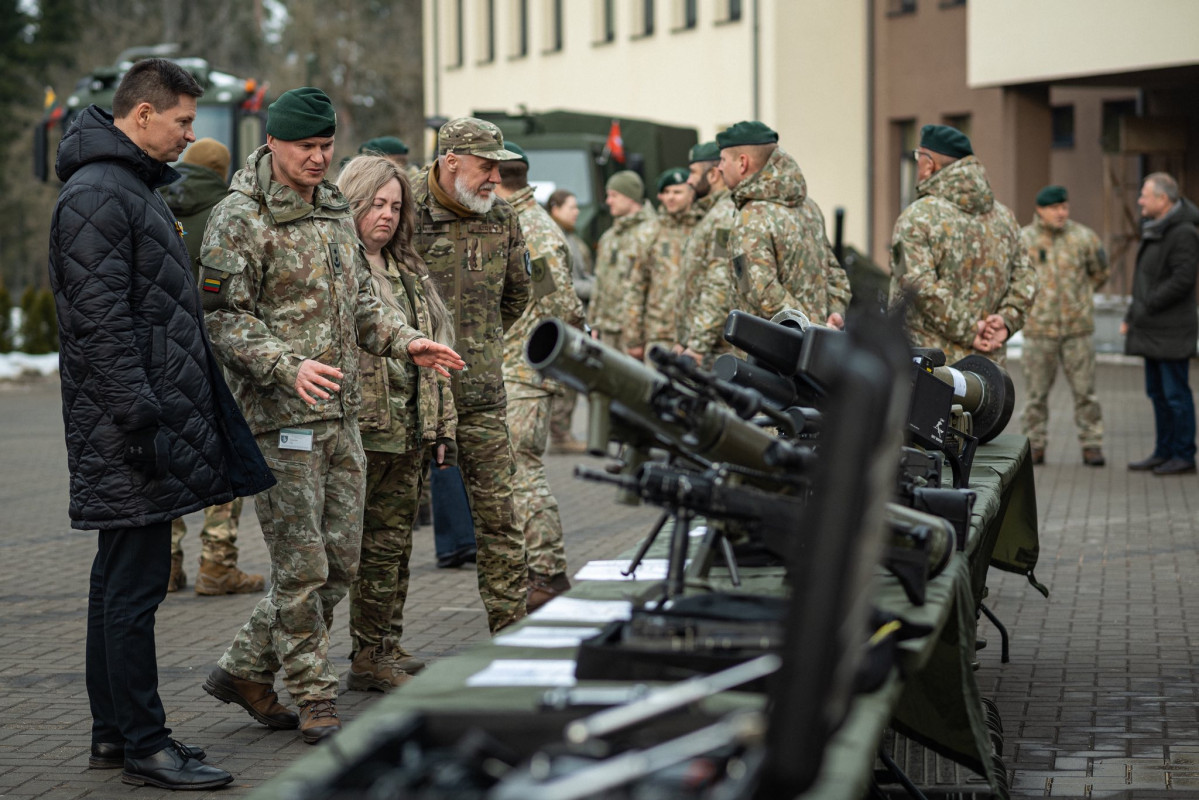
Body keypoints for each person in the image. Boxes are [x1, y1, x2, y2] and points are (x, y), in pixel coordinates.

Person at [198, 87, 464, 744]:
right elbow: (222, 319)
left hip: (342, 414)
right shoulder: (240, 217)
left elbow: (360, 306)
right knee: (301, 565)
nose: (319, 158)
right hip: (280, 418)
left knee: (341, 562)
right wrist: (286, 364)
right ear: (273, 145)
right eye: (306, 147)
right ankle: (313, 695)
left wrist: (407, 341)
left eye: (326, 146)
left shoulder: (335, 210)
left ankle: (242, 670)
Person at [48, 57, 275, 790]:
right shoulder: (98, 194)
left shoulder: (126, 188)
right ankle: (146, 743)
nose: (189, 135)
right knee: (135, 588)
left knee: (119, 582)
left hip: (135, 416)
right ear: (141, 115)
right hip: (129, 425)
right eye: (181, 121)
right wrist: (138, 415)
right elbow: (100, 320)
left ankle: (115, 735)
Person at [337, 155, 457, 689]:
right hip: (359, 432)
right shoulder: (340, 267)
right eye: (375, 204)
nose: (385, 215)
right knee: (351, 556)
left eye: (395, 206)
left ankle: (379, 646)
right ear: (352, 202)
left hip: (407, 431)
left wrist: (441, 426)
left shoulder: (407, 270)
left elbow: (437, 355)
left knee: (394, 550)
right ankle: (363, 652)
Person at [412, 116, 533, 633]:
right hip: (410, 393)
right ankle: (376, 651)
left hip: (480, 392)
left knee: (501, 520)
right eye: (486, 168)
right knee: (388, 531)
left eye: (500, 169)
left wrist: (478, 344)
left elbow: (517, 295)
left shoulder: (501, 217)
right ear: (451, 160)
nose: (494, 180)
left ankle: (511, 632)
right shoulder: (401, 210)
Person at [160, 137, 262, 595]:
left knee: (173, 459)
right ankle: (217, 565)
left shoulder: (155, 204)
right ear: (221, 171)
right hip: (217, 353)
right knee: (223, 453)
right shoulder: (228, 215)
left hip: (164, 355)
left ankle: (167, 563)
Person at [495, 143, 587, 611]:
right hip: (512, 371)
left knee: (524, 473)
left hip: (525, 375)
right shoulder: (516, 220)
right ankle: (534, 573)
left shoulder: (534, 231)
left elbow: (561, 306)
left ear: (496, 178)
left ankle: (548, 575)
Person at [889, 124, 1037, 365]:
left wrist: (971, 329)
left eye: (918, 156)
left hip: (932, 370)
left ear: (929, 164)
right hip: (987, 375)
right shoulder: (1006, 219)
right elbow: (1027, 280)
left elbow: (916, 286)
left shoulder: (917, 217)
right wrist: (1005, 321)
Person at [717, 121, 850, 329]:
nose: (719, 168)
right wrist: (834, 314)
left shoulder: (751, 217)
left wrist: (811, 327)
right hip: (812, 346)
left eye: (723, 160)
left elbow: (761, 293)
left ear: (742, 163)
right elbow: (835, 274)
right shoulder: (808, 207)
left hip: (770, 349)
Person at [1019, 185, 1109, 467]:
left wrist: (1081, 299)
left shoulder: (1083, 238)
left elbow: (1100, 272)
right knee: (1035, 395)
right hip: (1039, 329)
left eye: (1064, 207)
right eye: (1055, 208)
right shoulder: (1024, 239)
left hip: (1076, 330)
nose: (1061, 213)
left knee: (1085, 392)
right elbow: (1015, 278)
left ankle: (1091, 444)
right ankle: (1035, 445)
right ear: (1040, 210)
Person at [1122, 172, 1199, 475]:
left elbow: (1182, 279)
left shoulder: (1183, 232)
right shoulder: (1157, 228)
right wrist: (1133, 313)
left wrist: (1148, 303)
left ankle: (1183, 454)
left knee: (1175, 394)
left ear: (1162, 200)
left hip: (1171, 329)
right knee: (1157, 393)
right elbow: (1146, 278)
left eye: (1144, 194)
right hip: (1152, 327)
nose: (1139, 200)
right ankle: (1164, 451)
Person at [624, 168, 699, 357]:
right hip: (660, 334)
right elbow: (635, 287)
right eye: (666, 193)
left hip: (697, 336)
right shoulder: (649, 232)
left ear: (691, 194)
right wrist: (634, 338)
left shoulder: (703, 228)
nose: (671, 197)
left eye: (677, 192)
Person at [677, 141, 739, 365]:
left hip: (716, 349)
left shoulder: (724, 216)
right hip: (705, 344)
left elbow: (719, 282)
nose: (689, 180)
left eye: (694, 172)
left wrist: (697, 345)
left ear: (713, 175)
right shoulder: (711, 214)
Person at [545, 188, 593, 454]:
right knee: (564, 381)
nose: (577, 212)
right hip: (563, 320)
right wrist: (599, 288)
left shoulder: (571, 237)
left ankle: (563, 434)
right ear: (556, 208)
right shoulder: (555, 237)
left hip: (574, 317)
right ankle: (561, 436)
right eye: (571, 207)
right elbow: (568, 284)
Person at [590, 170, 657, 351]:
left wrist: (637, 336)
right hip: (607, 330)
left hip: (637, 333)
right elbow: (600, 282)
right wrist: (594, 323)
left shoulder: (653, 232)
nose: (608, 201)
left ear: (630, 197)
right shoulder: (609, 236)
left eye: (614, 195)